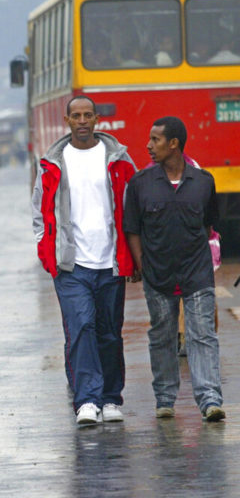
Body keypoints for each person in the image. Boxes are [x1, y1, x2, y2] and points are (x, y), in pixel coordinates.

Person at [32, 95, 137, 426]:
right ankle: (87, 400)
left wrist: (134, 257)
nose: (82, 121)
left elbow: (132, 208)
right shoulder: (54, 162)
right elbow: (40, 211)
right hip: (71, 265)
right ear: (66, 121)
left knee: (109, 332)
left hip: (110, 261)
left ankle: (110, 398)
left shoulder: (118, 159)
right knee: (81, 328)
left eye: (87, 115)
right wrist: (47, 251)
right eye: (75, 115)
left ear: (96, 120)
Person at [123, 116, 225, 422]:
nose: (148, 145)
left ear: (174, 144)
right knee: (162, 336)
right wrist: (143, 265)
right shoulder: (140, 184)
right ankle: (165, 399)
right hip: (158, 275)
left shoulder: (203, 182)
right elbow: (132, 230)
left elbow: (208, 225)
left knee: (203, 335)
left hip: (197, 273)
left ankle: (210, 400)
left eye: (155, 140)